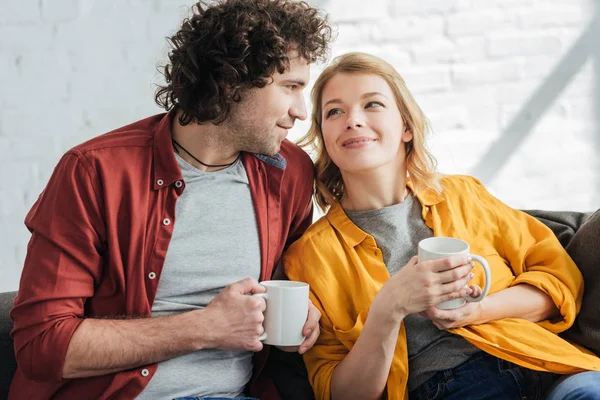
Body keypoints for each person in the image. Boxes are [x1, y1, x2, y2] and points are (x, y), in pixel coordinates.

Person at [9, 1, 332, 399]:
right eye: (291, 87)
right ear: (230, 82)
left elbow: (288, 287)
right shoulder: (94, 172)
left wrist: (303, 319)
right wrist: (204, 327)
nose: (301, 112)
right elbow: (41, 344)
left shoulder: (289, 172)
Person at [283, 52, 600, 400]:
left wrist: (476, 311)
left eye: (372, 104)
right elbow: (341, 393)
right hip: (452, 388)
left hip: (548, 365)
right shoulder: (311, 255)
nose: (352, 120)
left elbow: (559, 284)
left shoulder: (463, 194)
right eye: (334, 111)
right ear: (324, 135)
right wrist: (388, 309)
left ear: (405, 127)